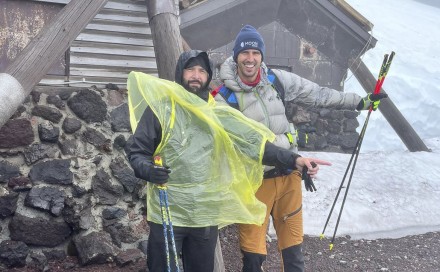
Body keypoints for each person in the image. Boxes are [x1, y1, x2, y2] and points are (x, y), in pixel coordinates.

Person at [126, 50, 331, 272]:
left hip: (204, 214)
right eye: (190, 69)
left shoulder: (217, 114)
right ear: (180, 73)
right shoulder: (161, 109)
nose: (196, 75)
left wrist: (295, 160)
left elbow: (256, 145)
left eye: (202, 71)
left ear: (207, 77)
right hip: (167, 213)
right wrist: (148, 170)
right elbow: (137, 152)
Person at [214, 25, 388, 272]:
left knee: (293, 251)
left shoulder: (275, 80)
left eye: (255, 52)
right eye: (244, 53)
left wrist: (359, 102)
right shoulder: (223, 98)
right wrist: (296, 159)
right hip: (254, 182)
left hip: (289, 178)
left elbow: (317, 94)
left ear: (262, 55)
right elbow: (249, 145)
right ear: (236, 56)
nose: (250, 59)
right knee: (253, 256)